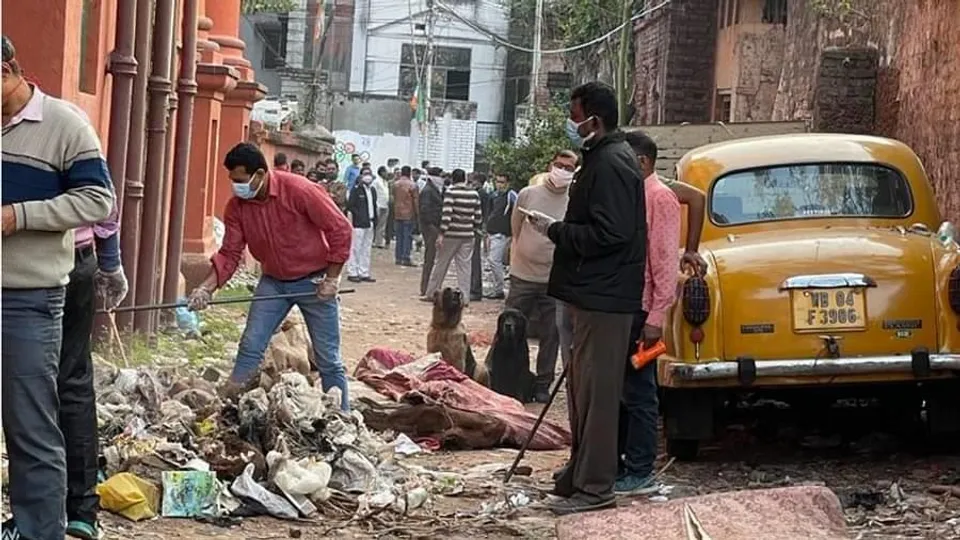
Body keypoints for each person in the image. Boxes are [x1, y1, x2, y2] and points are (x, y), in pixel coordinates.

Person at [1, 34, 116, 540]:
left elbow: (98, 201)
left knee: (31, 423)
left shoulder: (64, 124)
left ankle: (39, 530)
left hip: (29, 298)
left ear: (9, 69)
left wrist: (18, 216)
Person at [524, 82, 646, 515]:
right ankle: (579, 474)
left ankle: (597, 487)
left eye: (575, 114)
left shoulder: (612, 163)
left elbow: (611, 232)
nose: (572, 123)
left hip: (605, 297)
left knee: (597, 395)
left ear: (593, 119)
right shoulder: (603, 158)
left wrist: (556, 231)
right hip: (592, 292)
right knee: (581, 391)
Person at [186, 143, 353, 411]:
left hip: (315, 281)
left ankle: (343, 417)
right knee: (251, 344)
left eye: (240, 180)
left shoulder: (300, 190)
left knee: (328, 358)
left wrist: (332, 277)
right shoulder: (238, 208)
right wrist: (206, 288)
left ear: (260, 174)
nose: (235, 187)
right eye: (232, 181)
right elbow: (230, 253)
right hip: (274, 282)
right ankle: (233, 406)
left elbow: (340, 229)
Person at [615, 131, 681, 495]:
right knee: (623, 391)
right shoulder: (634, 197)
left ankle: (640, 469)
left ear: (641, 162)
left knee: (640, 393)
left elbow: (665, 265)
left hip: (645, 316)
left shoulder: (660, 198)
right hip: (626, 310)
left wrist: (656, 318)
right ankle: (624, 461)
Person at [507, 150, 578, 403]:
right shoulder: (529, 194)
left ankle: (542, 384)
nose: (562, 171)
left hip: (554, 279)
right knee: (511, 328)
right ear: (551, 165)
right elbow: (515, 228)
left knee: (551, 335)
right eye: (559, 165)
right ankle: (509, 377)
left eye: (569, 168)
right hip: (523, 275)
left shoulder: (574, 200)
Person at [422, 169, 482, 303]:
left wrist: (441, 234)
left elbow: (447, 214)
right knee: (465, 267)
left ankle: (431, 293)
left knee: (441, 264)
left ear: (453, 179)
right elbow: (478, 216)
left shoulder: (451, 192)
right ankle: (465, 298)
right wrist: (474, 228)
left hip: (451, 234)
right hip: (468, 234)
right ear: (465, 179)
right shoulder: (474, 194)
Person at [484, 173, 517, 300]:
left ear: (507, 183)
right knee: (493, 261)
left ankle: (499, 289)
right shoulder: (493, 195)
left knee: (494, 260)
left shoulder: (511, 195)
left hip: (502, 234)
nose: (499, 184)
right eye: (497, 181)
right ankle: (498, 287)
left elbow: (518, 210)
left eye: (502, 182)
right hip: (492, 232)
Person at [345, 166, 378, 283]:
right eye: (365, 174)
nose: (368, 176)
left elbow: (374, 206)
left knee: (366, 248)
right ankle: (352, 272)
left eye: (369, 173)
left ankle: (364, 272)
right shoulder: (356, 190)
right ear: (360, 176)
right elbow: (350, 206)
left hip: (370, 222)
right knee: (355, 248)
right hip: (358, 224)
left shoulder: (373, 190)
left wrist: (375, 221)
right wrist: (356, 218)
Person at [418, 168, 444, 296]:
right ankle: (426, 287)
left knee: (431, 257)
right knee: (430, 257)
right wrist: (431, 225)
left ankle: (428, 286)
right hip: (430, 227)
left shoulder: (434, 189)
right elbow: (424, 209)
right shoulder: (429, 191)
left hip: (433, 226)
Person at [470, 172, 492, 302]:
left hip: (476, 229)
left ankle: (475, 289)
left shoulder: (480, 194)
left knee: (474, 259)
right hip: (478, 228)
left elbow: (482, 212)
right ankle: (473, 287)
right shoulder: (483, 193)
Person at [393, 165, 419, 266]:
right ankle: (406, 257)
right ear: (410, 173)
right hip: (409, 213)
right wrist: (418, 214)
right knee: (407, 236)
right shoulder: (412, 185)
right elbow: (416, 201)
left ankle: (398, 257)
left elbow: (394, 197)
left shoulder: (395, 184)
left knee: (399, 236)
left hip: (397, 213)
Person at [372, 166, 391, 248]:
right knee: (375, 224)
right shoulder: (376, 181)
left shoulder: (386, 182)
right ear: (382, 172)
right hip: (378, 204)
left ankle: (379, 242)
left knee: (382, 225)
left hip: (385, 205)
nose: (387, 174)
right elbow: (373, 192)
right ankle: (372, 241)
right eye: (386, 172)